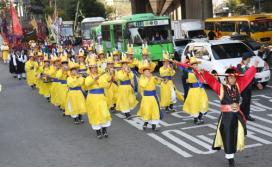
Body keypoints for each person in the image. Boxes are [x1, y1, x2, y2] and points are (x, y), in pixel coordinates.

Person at [201, 61, 258, 167]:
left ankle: (232, 153)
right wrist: (203, 72)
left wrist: (254, 66)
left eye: (234, 78)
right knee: (228, 137)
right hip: (227, 118)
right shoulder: (221, 88)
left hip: (237, 117)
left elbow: (247, 77)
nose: (233, 79)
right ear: (226, 78)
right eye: (230, 78)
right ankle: (230, 158)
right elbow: (211, 81)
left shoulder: (238, 86)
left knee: (237, 136)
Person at [175, 57, 208, 125]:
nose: (195, 66)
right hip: (194, 91)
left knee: (204, 104)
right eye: (193, 65)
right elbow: (189, 78)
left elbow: (205, 80)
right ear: (191, 66)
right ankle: (196, 119)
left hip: (201, 90)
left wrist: (204, 74)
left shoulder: (200, 71)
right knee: (195, 105)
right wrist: (196, 73)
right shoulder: (189, 72)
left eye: (196, 65)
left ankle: (199, 117)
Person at [85, 59, 112, 139]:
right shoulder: (88, 77)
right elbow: (87, 84)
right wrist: (94, 80)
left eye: (95, 68)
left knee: (104, 113)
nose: (94, 69)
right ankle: (98, 131)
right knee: (95, 113)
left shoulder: (102, 76)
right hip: (92, 98)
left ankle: (104, 130)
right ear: (90, 69)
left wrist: (100, 80)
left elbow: (106, 85)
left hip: (101, 97)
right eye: (92, 68)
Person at [237, 53, 262, 121]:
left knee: (248, 102)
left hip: (249, 87)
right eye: (250, 58)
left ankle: (246, 115)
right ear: (247, 58)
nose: (250, 59)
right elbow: (245, 76)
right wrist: (253, 67)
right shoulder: (239, 66)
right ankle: (239, 113)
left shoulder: (246, 66)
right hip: (243, 87)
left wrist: (257, 83)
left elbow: (251, 77)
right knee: (245, 102)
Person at [138, 61, 162, 131]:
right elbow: (143, 85)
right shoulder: (142, 79)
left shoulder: (152, 77)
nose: (147, 73)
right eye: (146, 71)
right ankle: (145, 123)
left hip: (154, 96)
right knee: (147, 110)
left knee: (155, 110)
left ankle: (154, 126)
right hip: (146, 97)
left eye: (148, 71)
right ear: (143, 72)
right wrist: (147, 78)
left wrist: (158, 79)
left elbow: (158, 82)